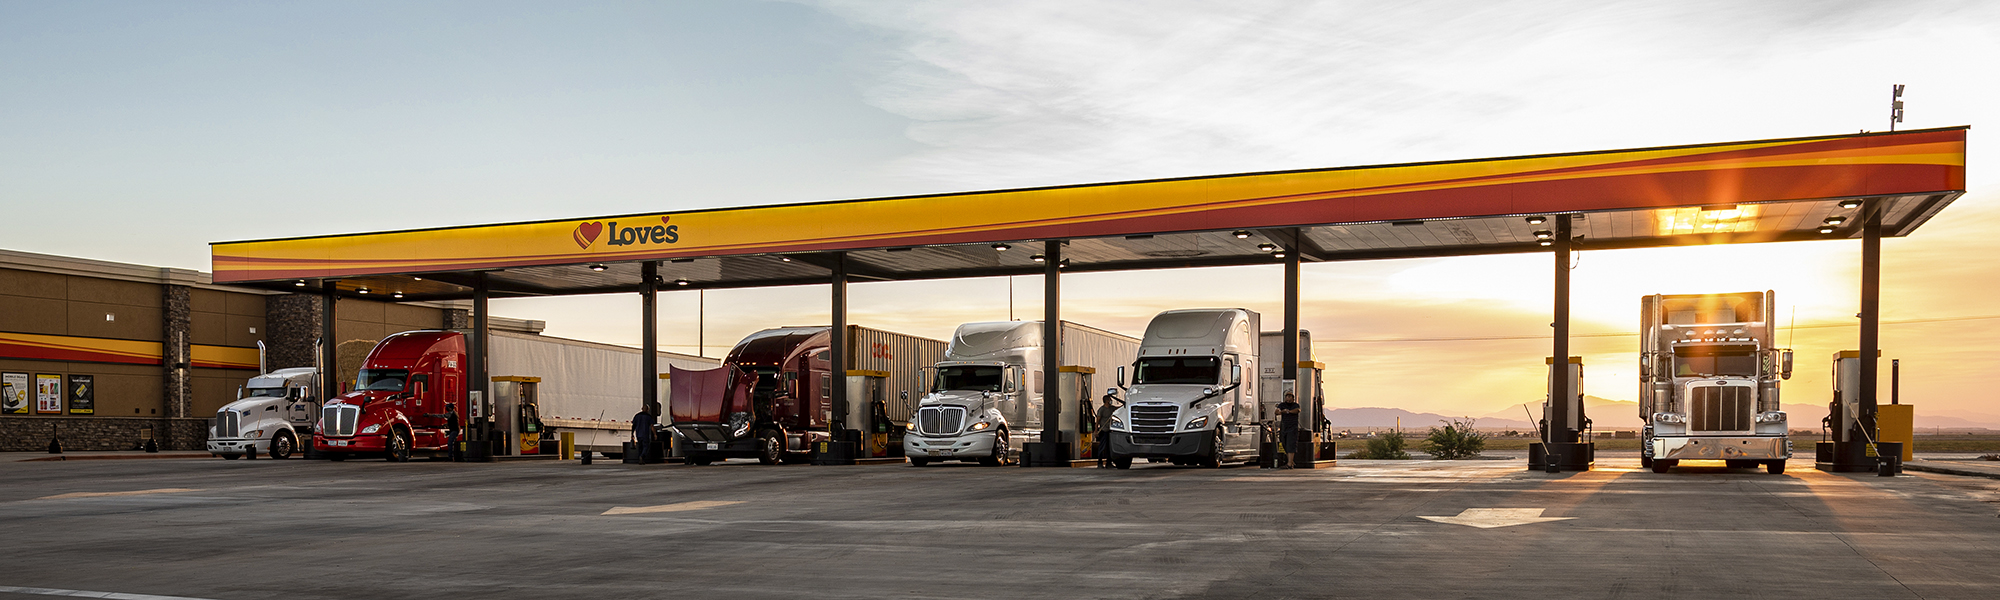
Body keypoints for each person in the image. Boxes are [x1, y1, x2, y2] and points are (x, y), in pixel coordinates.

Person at [1277, 392, 1301, 469]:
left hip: (1292, 428)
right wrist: (1281, 412)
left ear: (1293, 398)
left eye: (1290, 397)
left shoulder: (1295, 405)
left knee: (1291, 444)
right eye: (1287, 397)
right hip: (1284, 427)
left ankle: (1289, 464)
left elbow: (1297, 410)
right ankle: (1291, 461)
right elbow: (1277, 411)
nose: (1288, 399)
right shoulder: (1282, 405)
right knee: (1284, 444)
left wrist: (1288, 412)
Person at [1095, 391, 1119, 467]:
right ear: (1107, 400)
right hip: (1103, 430)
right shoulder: (1101, 410)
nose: (1111, 400)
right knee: (1102, 446)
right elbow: (1097, 421)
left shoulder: (1112, 408)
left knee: (1109, 447)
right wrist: (1096, 431)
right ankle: (1099, 462)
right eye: (1110, 399)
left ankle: (1109, 463)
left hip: (1110, 430)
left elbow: (1118, 408)